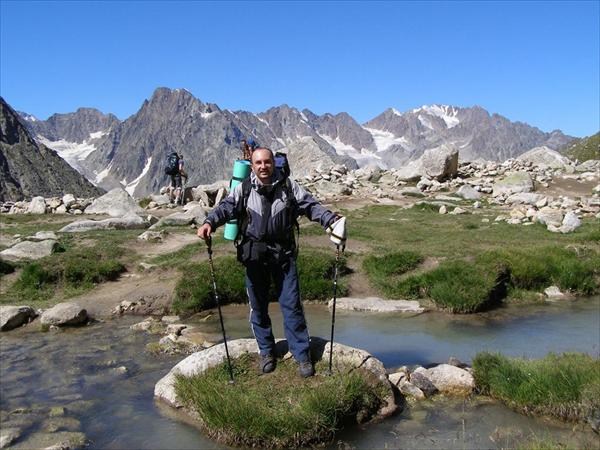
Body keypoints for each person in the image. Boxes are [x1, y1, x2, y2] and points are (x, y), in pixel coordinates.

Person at [197, 147, 341, 377]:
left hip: (283, 256)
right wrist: (209, 223)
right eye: (258, 163)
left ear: (274, 163)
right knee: (258, 308)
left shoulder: (289, 187)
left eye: (267, 162)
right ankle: (266, 352)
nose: (263, 166)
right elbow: (226, 207)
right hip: (254, 257)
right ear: (252, 166)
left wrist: (330, 219)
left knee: (291, 305)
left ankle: (301, 355)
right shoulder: (243, 188)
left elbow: (310, 206)